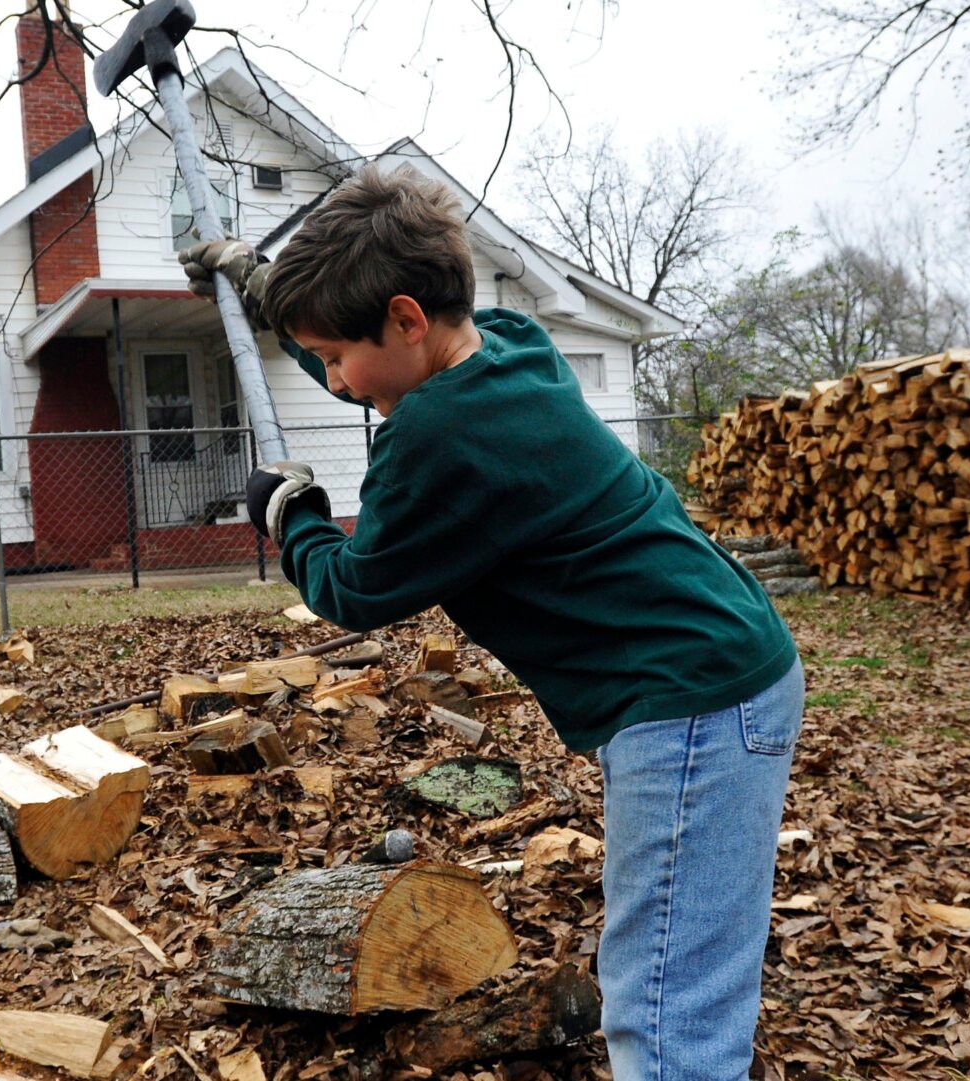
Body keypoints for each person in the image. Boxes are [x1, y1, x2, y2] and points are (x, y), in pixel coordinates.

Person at [180, 164, 803, 1081]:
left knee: (668, 1008)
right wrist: (258, 276)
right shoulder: (509, 344)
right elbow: (385, 337)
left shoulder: (442, 439)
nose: (330, 378)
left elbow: (355, 586)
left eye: (333, 356)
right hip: (718, 666)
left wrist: (289, 515)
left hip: (690, 704)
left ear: (405, 319)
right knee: (677, 965)